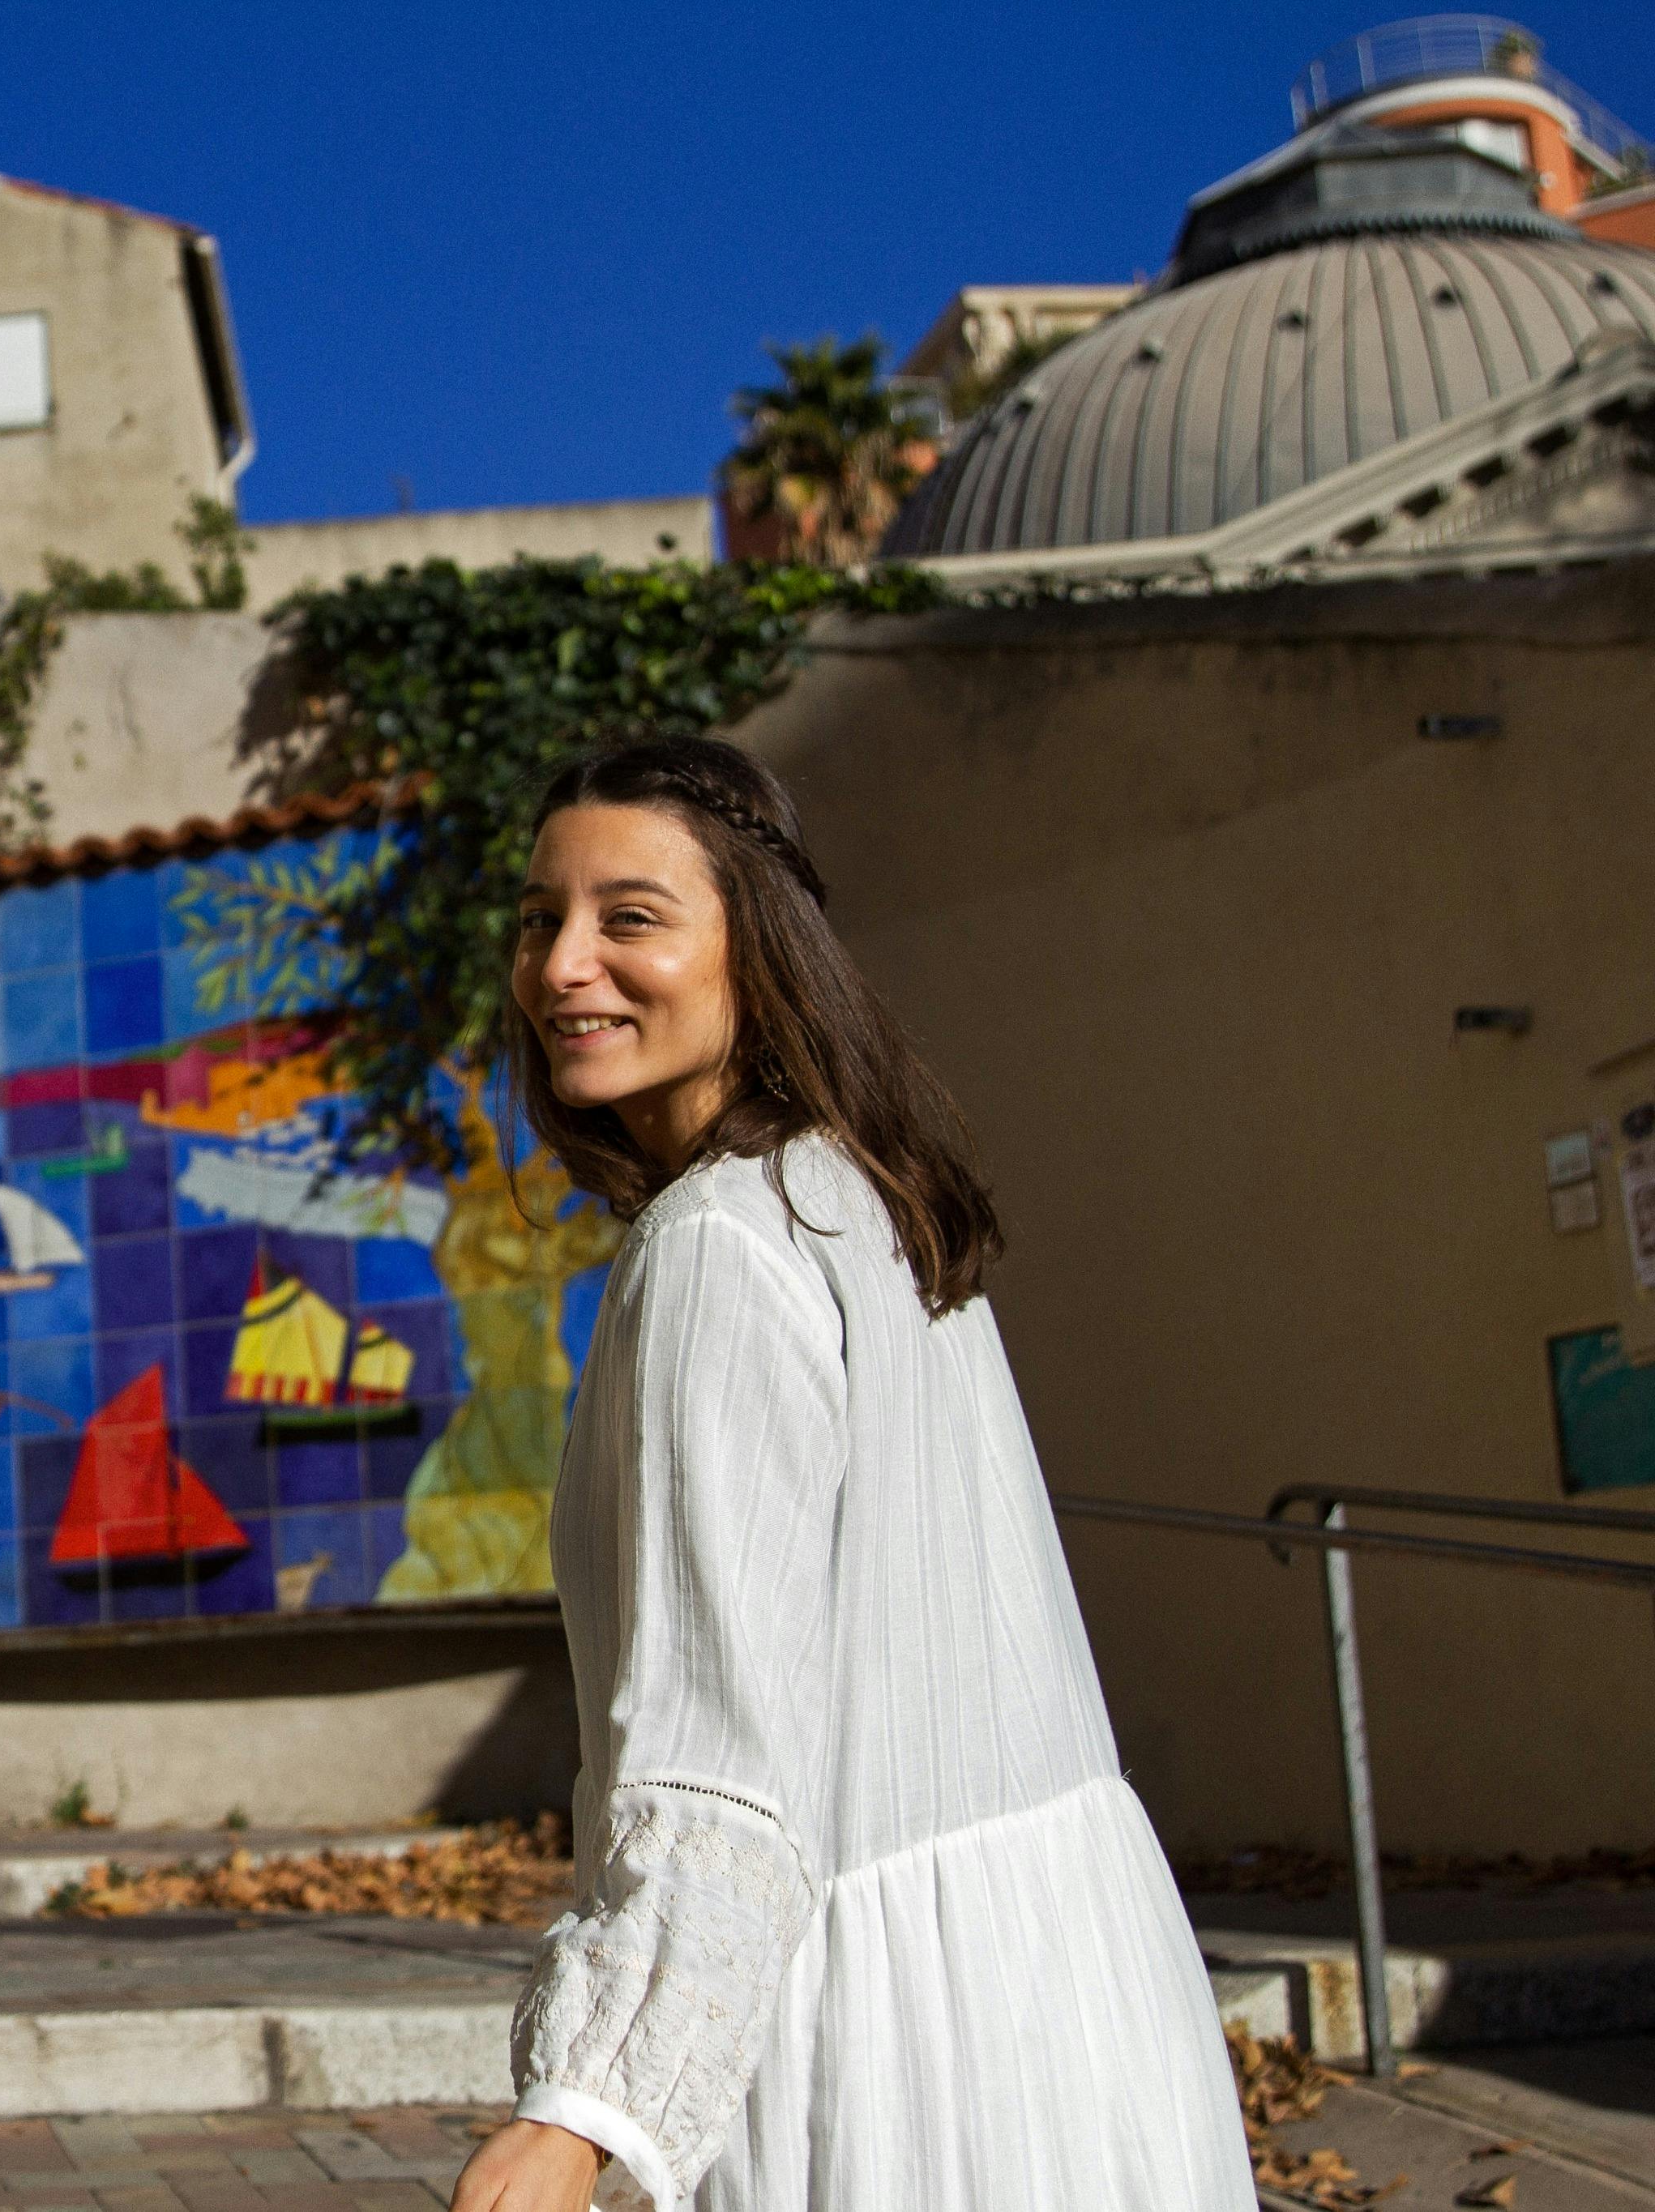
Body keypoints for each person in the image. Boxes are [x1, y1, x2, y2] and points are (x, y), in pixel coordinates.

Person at [451, 737, 1252, 2212]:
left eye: (630, 918)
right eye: (539, 919)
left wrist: (587, 2107)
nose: (562, 965)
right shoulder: (853, 1194)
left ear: (757, 950)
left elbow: (718, 1742)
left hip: (890, 2049)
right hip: (1067, 2006)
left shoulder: (717, 1247)